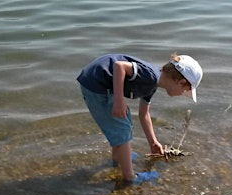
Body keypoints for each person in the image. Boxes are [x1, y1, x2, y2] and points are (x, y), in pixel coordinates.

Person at [77, 53, 203, 185]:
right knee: (123, 129)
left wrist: (153, 142)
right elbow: (119, 66)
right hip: (96, 84)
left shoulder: (152, 84)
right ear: (181, 82)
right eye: (185, 90)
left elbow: (144, 114)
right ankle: (130, 177)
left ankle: (118, 158)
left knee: (124, 123)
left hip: (100, 82)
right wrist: (119, 101)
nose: (183, 94)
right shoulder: (150, 77)